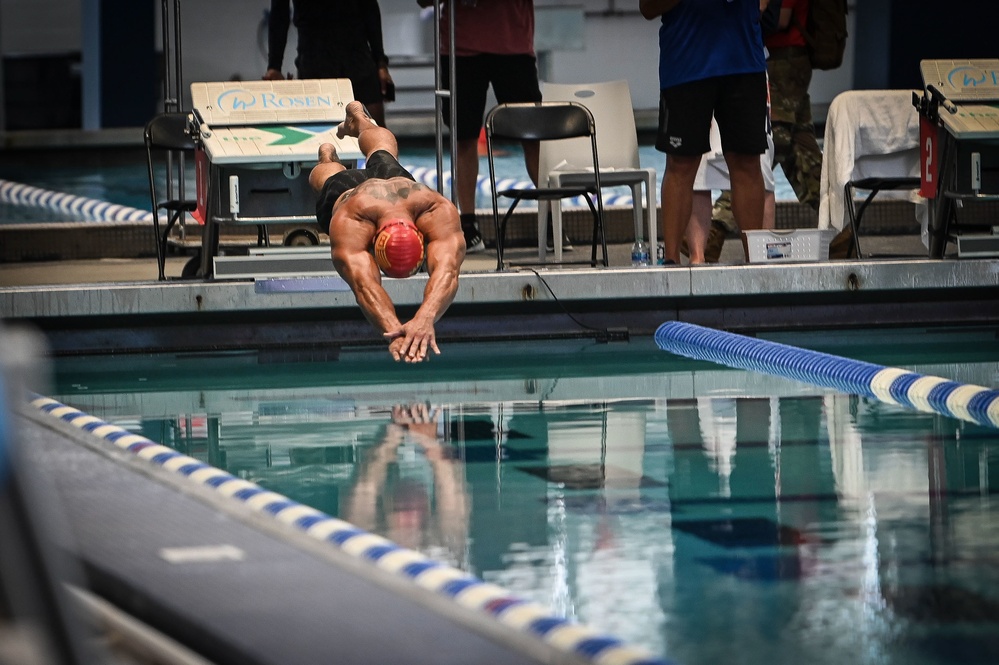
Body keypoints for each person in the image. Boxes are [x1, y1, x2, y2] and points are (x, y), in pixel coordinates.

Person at [308, 101, 465, 363]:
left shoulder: (434, 208)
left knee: (383, 151)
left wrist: (424, 319)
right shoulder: (350, 220)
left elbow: (448, 273)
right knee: (328, 177)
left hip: (396, 185)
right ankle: (327, 155)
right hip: (351, 194)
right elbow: (364, 285)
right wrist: (396, 333)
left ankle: (359, 118)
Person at [641, 0, 770, 266]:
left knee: (747, 163)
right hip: (686, 64)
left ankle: (756, 263)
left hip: (743, 61)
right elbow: (648, 7)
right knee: (681, 163)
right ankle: (671, 262)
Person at [416, 0, 543, 253]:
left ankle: (549, 217)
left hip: (513, 45)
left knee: (533, 137)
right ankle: (468, 223)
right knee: (464, 137)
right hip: (460, 48)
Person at [264, 0, 394, 128]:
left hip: (355, 54)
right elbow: (279, 14)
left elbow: (370, 9)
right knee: (321, 132)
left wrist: (381, 63)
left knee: (375, 129)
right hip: (315, 56)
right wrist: (274, 66)